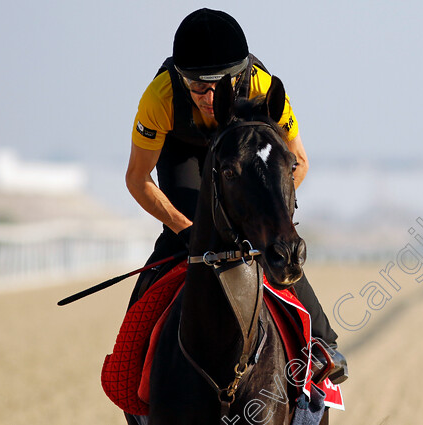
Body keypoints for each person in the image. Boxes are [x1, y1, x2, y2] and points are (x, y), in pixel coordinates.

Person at [125, 8, 347, 384]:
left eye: (220, 86)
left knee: (274, 245)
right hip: (184, 153)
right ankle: (135, 351)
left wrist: (262, 216)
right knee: (177, 241)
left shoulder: (262, 86)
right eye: (198, 88)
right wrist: (185, 230)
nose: (210, 97)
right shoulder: (159, 98)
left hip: (242, 153)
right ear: (181, 79)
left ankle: (323, 342)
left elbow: (299, 163)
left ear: (241, 77)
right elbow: (137, 179)